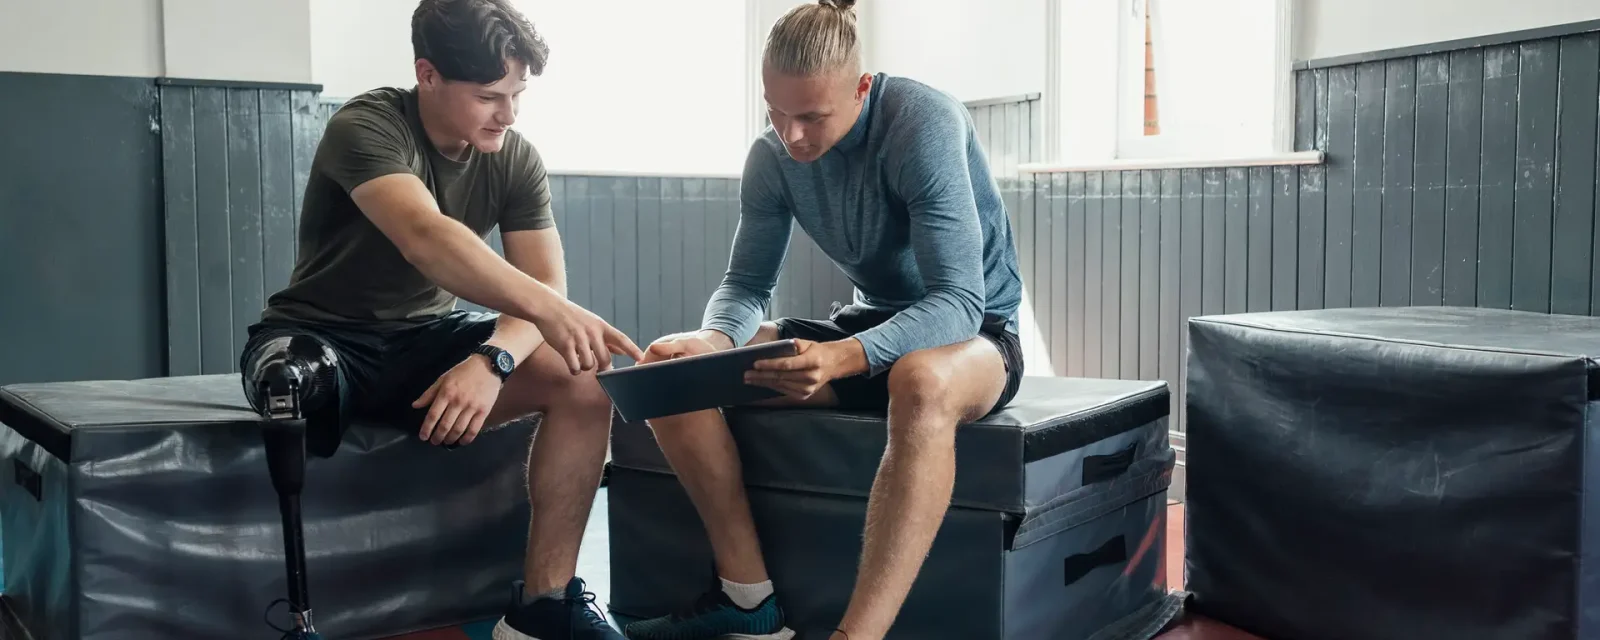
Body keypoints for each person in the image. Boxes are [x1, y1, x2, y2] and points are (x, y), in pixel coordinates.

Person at [237, 1, 642, 638]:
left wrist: (494, 360)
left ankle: (545, 605)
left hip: (422, 341)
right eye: (488, 97)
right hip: (323, 337)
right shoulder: (366, 125)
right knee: (291, 381)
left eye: (517, 95)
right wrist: (551, 308)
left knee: (584, 378)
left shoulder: (514, 158)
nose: (508, 114)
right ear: (427, 75)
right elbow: (426, 237)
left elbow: (542, 287)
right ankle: (298, 619)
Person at [622, 1, 1025, 639]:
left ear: (861, 88)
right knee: (673, 370)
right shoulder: (771, 155)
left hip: (975, 338)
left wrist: (842, 357)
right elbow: (746, 285)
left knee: (919, 380)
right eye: (776, 112)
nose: (792, 136)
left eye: (811, 116)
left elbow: (958, 301)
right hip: (863, 330)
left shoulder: (922, 123)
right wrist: (713, 338)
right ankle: (748, 598)